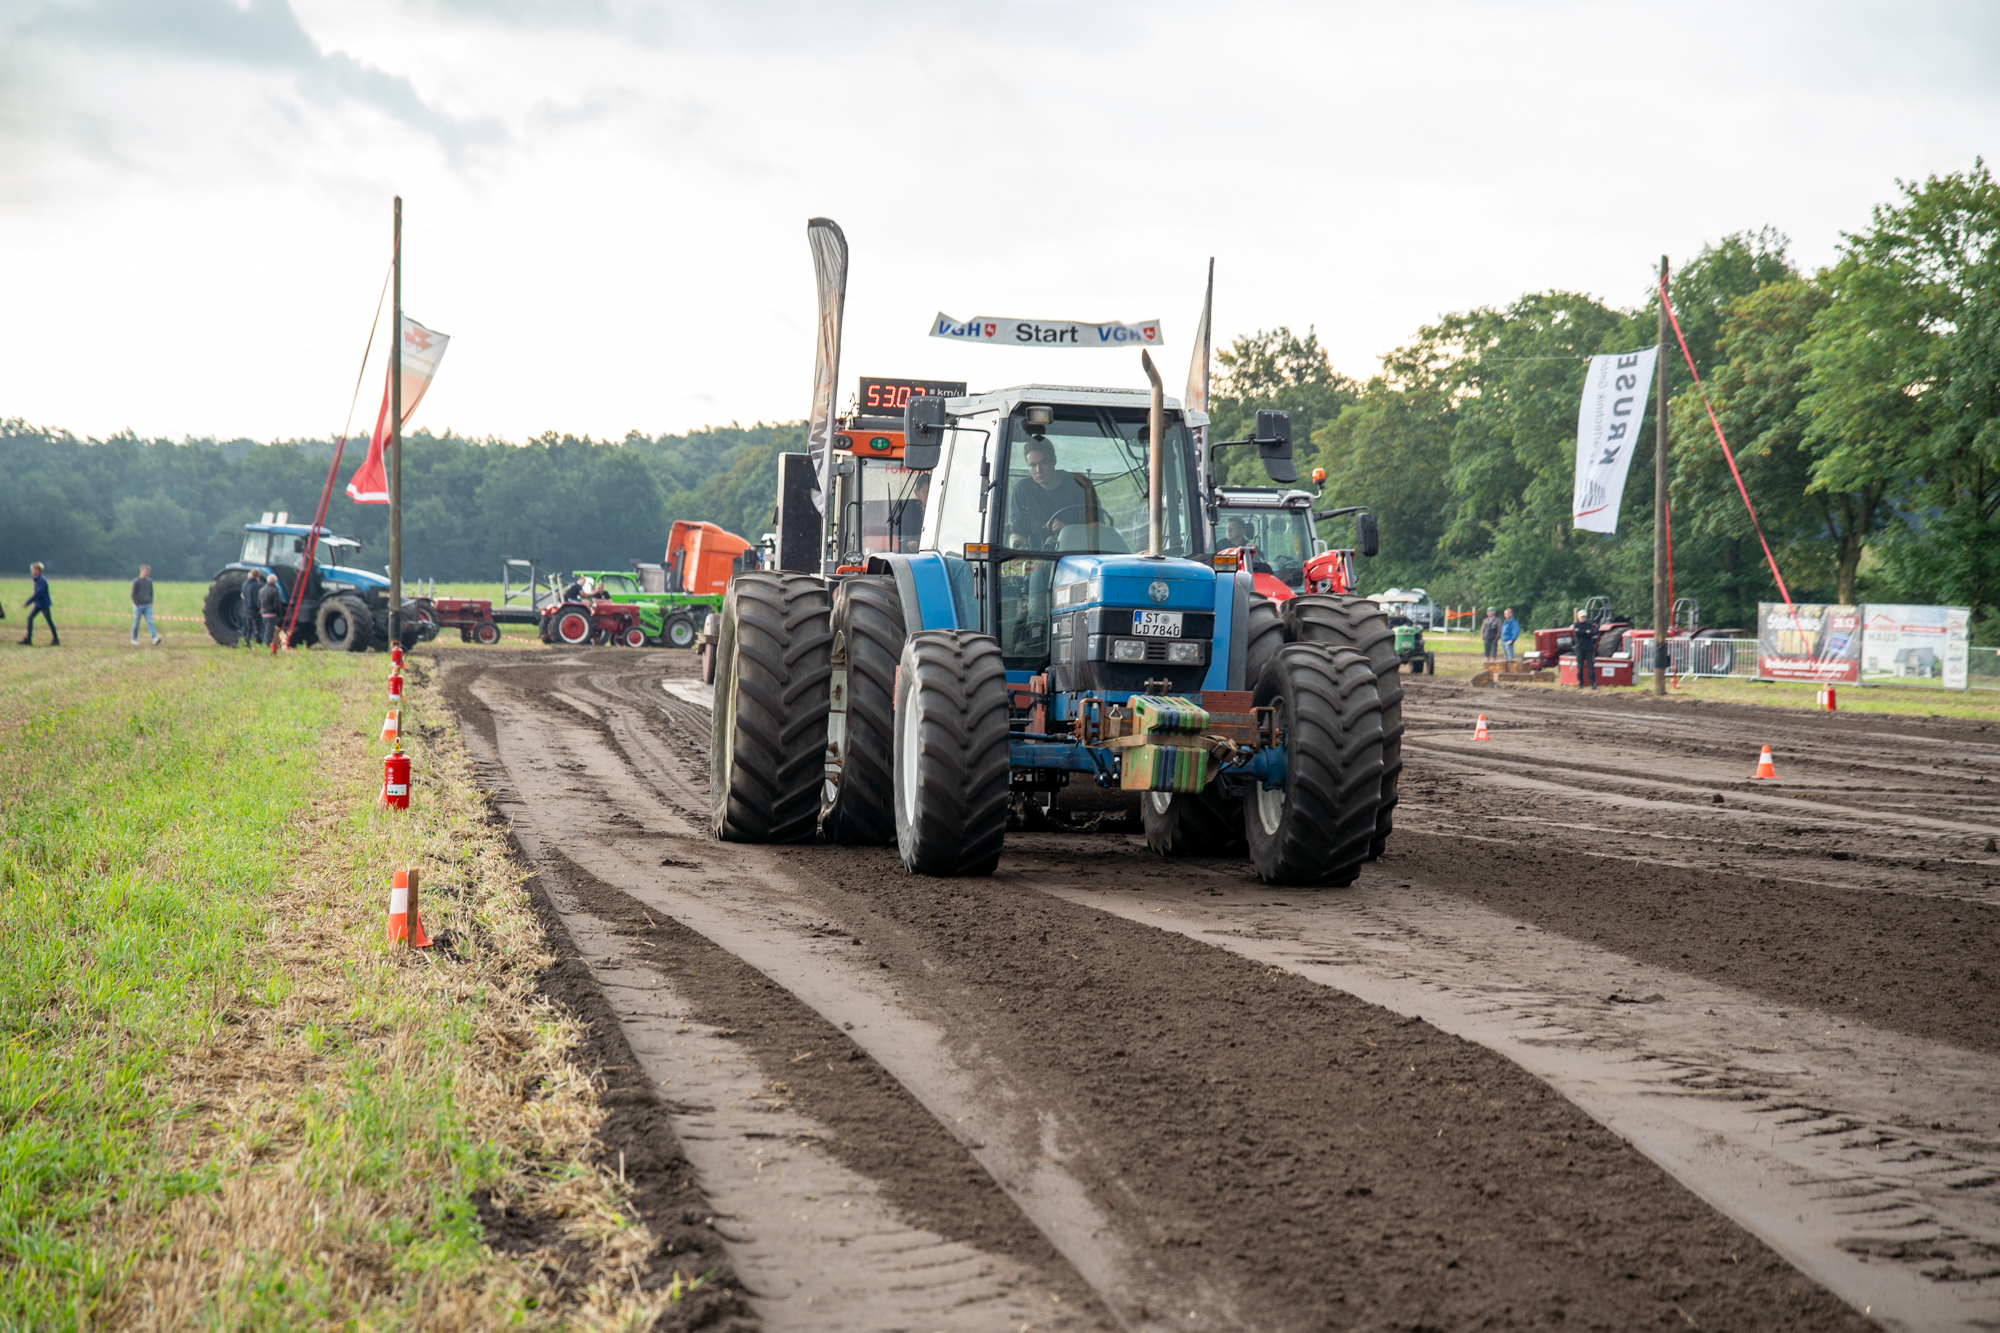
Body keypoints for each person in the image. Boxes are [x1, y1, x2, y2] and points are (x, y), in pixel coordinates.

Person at [1008, 436, 1098, 548]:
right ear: (1027, 466)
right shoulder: (1022, 490)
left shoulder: (1080, 485)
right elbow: (1018, 533)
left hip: (1078, 554)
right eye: (1033, 465)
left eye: (1043, 463)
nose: (1038, 470)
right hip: (1035, 556)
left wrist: (1066, 529)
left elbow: (1098, 531)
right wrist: (1017, 546)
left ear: (1054, 460)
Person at [21, 563, 57, 646]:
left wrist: (28, 602)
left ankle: (56, 640)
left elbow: (38, 594)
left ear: (37, 570)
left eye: (33, 569)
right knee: (30, 618)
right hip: (38, 604)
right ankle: (28, 639)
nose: (31, 571)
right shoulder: (36, 579)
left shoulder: (42, 580)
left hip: (44, 604)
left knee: (49, 621)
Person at [131, 564, 159, 646]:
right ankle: (134, 638)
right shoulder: (136, 581)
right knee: (136, 622)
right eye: (145, 571)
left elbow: (151, 592)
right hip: (139, 606)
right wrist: (136, 603)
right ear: (141, 571)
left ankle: (154, 638)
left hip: (147, 605)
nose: (147, 573)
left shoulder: (149, 581)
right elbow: (133, 594)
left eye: (148, 572)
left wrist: (151, 601)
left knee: (150, 621)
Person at [1572, 607, 1600, 689]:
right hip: (1580, 649)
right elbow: (1576, 633)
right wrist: (1586, 632)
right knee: (1580, 667)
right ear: (1578, 617)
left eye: (1584, 617)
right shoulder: (1576, 625)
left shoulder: (1589, 624)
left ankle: (1593, 684)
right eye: (1581, 617)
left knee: (1591, 667)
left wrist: (1582, 632)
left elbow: (1592, 633)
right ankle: (1580, 684)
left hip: (1589, 649)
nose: (1583, 618)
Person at [258, 573, 284, 647]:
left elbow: (259, 602)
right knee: (269, 632)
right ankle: (267, 645)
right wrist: (279, 614)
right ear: (275, 582)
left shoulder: (261, 590)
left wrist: (261, 610)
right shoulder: (274, 591)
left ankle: (266, 644)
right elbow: (276, 605)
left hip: (264, 613)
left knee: (266, 630)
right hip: (271, 614)